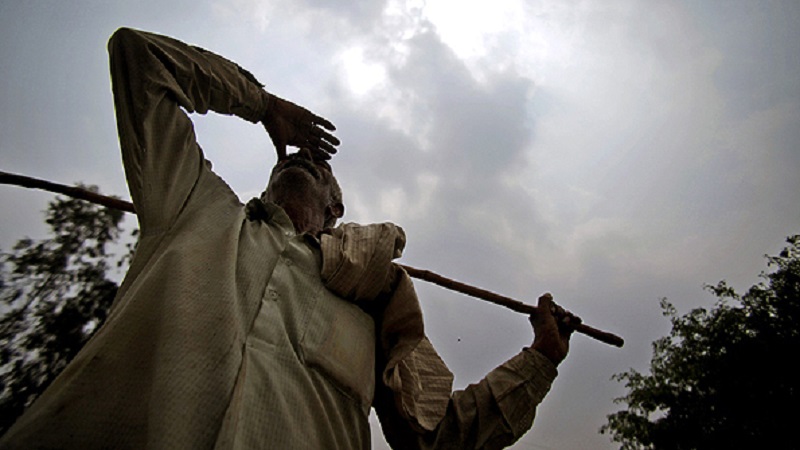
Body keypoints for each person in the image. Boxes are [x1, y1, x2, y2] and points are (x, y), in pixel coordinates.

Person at [0, 28, 575, 450]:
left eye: (320, 166)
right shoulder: (193, 207)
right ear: (270, 179)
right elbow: (137, 57)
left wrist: (540, 361)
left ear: (336, 207)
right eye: (292, 159)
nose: (304, 158)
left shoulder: (373, 305)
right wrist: (261, 105)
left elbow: (440, 434)